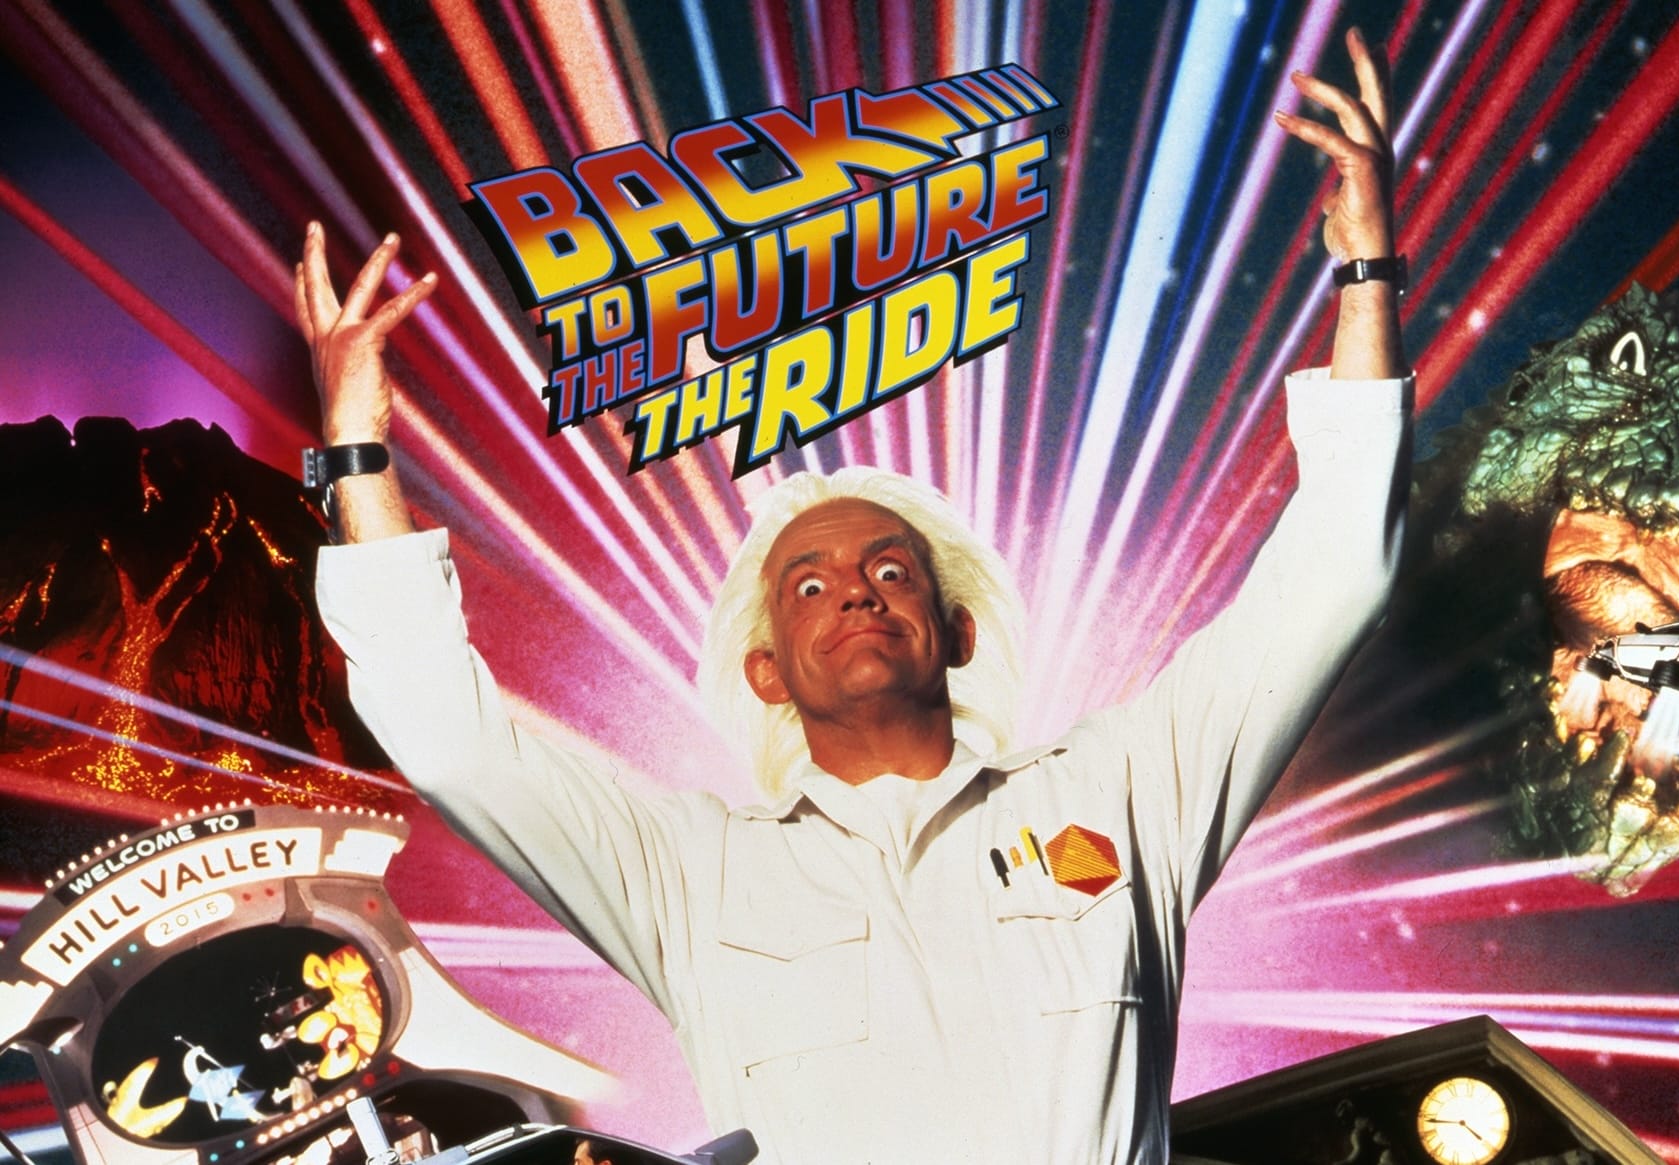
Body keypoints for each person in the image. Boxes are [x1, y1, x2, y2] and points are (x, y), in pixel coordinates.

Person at [304, 29, 1409, 1165]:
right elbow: (445, 732)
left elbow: (1332, 573)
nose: (858, 592)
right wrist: (354, 448)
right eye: (811, 584)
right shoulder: (691, 876)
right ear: (766, 672)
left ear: (958, 631)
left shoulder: (1126, 795)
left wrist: (1367, 275)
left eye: (892, 570)